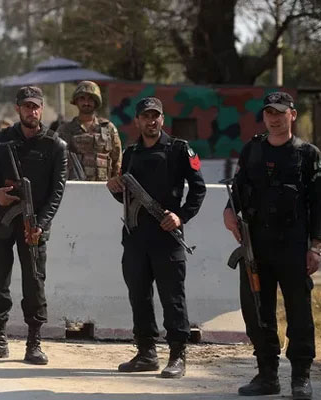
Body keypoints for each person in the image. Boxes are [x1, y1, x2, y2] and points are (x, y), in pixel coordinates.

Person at [223, 92, 319, 399]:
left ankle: (301, 378)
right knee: (257, 310)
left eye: (280, 112)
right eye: (269, 113)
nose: (274, 118)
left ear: (292, 115)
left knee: (299, 312)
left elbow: (318, 205)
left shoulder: (307, 154)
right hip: (256, 246)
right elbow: (236, 191)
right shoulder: (252, 150)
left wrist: (315, 247)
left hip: (293, 245)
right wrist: (228, 212)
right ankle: (267, 375)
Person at [106, 96, 206, 379]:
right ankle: (146, 352)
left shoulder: (179, 150)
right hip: (136, 238)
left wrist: (181, 216)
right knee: (139, 296)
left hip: (167, 237)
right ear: (137, 121)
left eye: (156, 116)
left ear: (162, 119)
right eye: (146, 116)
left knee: (172, 297)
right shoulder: (132, 152)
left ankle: (177, 355)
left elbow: (198, 188)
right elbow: (127, 198)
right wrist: (115, 188)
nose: (151, 121)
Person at [0, 86, 67, 365]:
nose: (32, 111)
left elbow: (57, 191)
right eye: (27, 106)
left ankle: (34, 344)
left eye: (36, 106)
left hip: (34, 226)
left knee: (34, 283)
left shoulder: (55, 145)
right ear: (18, 108)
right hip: (1, 223)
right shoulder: (2, 140)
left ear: (42, 108)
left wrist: (41, 223)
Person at [57, 81, 121, 181]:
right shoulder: (65, 130)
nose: (86, 103)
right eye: (82, 98)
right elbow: (57, 161)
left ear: (96, 102)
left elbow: (117, 161)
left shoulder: (108, 129)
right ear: (76, 101)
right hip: (74, 189)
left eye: (90, 99)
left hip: (102, 188)